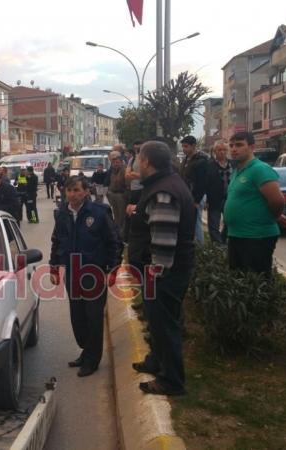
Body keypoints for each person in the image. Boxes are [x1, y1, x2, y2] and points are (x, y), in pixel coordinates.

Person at [127, 141, 196, 397]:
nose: (136, 165)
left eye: (138, 160)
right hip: (163, 272)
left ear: (146, 162)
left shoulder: (163, 192)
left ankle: (172, 381)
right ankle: (156, 361)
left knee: (165, 325)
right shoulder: (164, 184)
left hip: (163, 274)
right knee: (158, 323)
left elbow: (164, 242)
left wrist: (155, 275)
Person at [50, 176, 121, 377]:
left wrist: (113, 269)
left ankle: (92, 360)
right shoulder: (62, 213)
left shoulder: (99, 213)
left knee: (94, 317)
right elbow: (57, 240)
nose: (72, 195)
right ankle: (86, 350)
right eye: (69, 191)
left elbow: (114, 241)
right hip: (72, 273)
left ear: (86, 192)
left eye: (76, 190)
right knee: (77, 316)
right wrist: (54, 266)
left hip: (94, 273)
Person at [223, 132, 286, 275]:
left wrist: (274, 216)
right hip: (237, 235)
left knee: (256, 284)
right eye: (231, 145)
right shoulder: (238, 171)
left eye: (239, 145)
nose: (234, 149)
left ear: (252, 147)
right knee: (239, 283)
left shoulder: (260, 169)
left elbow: (277, 201)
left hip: (256, 237)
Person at [180, 136, 209, 245]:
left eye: (186, 146)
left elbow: (202, 183)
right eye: (183, 146)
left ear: (193, 146)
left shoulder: (201, 161)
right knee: (190, 223)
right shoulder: (187, 159)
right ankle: (193, 244)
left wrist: (196, 201)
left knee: (196, 223)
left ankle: (200, 247)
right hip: (187, 196)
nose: (184, 149)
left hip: (196, 197)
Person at [203, 142, 231, 244]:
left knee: (229, 223)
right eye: (219, 150)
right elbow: (205, 183)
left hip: (230, 199)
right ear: (215, 152)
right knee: (213, 225)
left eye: (224, 150)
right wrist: (206, 199)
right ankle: (218, 247)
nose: (222, 152)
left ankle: (223, 241)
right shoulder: (209, 166)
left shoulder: (233, 164)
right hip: (214, 199)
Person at [105, 150, 128, 239]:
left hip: (121, 196)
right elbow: (110, 183)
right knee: (116, 216)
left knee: (122, 217)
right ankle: (117, 234)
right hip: (113, 195)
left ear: (121, 162)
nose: (115, 164)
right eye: (113, 162)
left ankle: (122, 236)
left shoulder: (124, 170)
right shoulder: (113, 171)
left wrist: (124, 195)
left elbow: (127, 185)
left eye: (117, 162)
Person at [124, 140, 144, 240]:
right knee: (131, 213)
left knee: (141, 212)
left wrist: (134, 174)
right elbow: (127, 175)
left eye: (139, 148)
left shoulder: (145, 159)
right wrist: (137, 175)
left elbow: (146, 176)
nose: (137, 150)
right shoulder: (132, 159)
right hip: (134, 190)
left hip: (143, 190)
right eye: (136, 148)